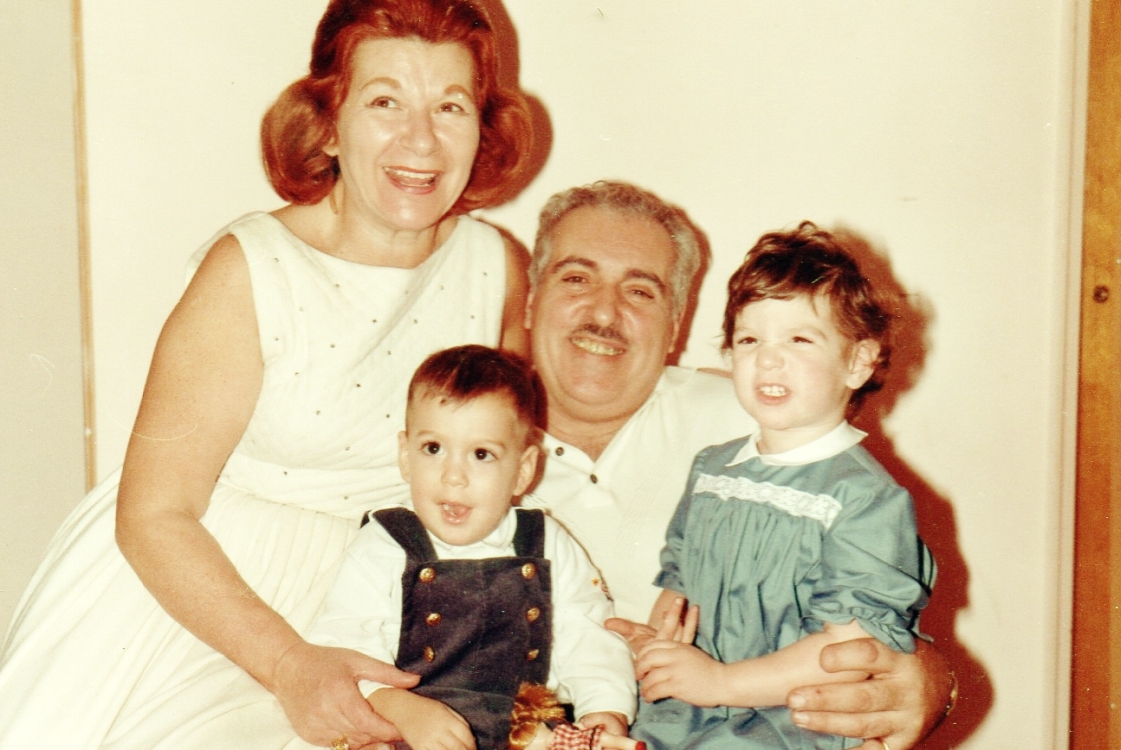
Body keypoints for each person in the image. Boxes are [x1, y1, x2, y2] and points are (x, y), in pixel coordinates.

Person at [0, 1, 534, 748]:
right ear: (328, 123)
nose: (421, 140)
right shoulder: (249, 269)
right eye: (384, 102)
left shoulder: (494, 266)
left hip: (384, 604)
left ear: (483, 127)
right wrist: (288, 663)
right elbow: (153, 514)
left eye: (450, 106)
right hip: (206, 606)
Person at [520, 181, 956, 750]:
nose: (605, 312)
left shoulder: (758, 417)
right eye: (576, 278)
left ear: (676, 323)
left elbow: (876, 623)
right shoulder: (457, 439)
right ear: (530, 301)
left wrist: (932, 682)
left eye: (640, 291)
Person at [628, 221, 934, 749]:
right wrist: (656, 653)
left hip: (791, 723)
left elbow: (847, 653)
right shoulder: (713, 469)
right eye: (749, 339)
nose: (768, 358)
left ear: (858, 362)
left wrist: (720, 683)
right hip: (687, 713)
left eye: (799, 339)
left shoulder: (866, 499)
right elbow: (678, 582)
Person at [305, 345, 639, 750]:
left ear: (523, 470)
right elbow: (342, 649)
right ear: (405, 456)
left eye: (481, 454)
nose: (454, 476)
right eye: (433, 448)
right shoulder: (385, 544)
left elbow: (587, 633)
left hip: (524, 731)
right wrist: (398, 707)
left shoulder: (545, 541)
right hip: (406, 729)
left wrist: (605, 709)